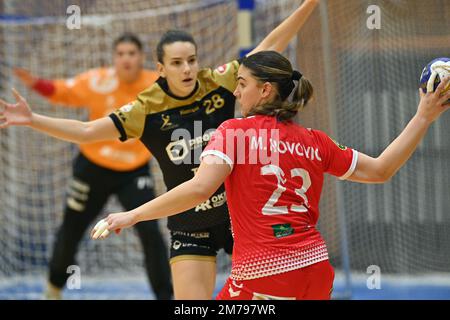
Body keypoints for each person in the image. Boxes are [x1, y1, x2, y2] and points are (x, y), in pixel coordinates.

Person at [0, 0, 321, 299]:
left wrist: (310, 3)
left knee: (266, 299)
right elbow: (86, 131)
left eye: (192, 60)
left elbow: (269, 46)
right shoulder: (146, 107)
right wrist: (31, 119)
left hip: (238, 215)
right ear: (161, 68)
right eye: (177, 63)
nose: (187, 69)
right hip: (189, 221)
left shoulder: (219, 81)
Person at [89, 50, 450, 300]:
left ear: (265, 90)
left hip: (263, 273)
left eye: (242, 83)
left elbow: (199, 189)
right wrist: (423, 116)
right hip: (317, 272)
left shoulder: (233, 132)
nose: (236, 90)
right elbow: (382, 169)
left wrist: (133, 214)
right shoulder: (316, 141)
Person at [12, 33, 173, 300]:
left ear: (141, 57)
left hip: (134, 171)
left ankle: (166, 297)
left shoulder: (155, 85)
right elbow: (60, 91)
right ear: (113, 58)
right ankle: (53, 290)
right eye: (120, 54)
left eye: (131, 53)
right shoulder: (98, 81)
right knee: (71, 228)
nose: (126, 59)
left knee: (150, 232)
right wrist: (34, 82)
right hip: (92, 168)